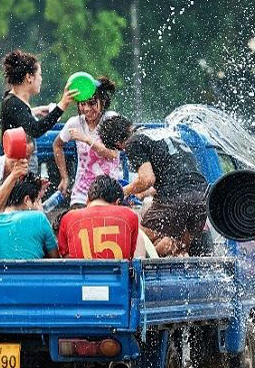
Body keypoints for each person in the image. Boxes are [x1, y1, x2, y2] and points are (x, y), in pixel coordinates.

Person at [100, 116, 208, 256]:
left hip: (175, 197)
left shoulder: (133, 141)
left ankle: (138, 271)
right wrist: (143, 193)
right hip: (201, 195)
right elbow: (175, 173)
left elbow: (147, 179)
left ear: (117, 143)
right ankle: (153, 264)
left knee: (139, 238)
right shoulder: (158, 132)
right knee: (177, 243)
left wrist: (122, 191)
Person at [53, 77, 121, 208]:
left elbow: (112, 154)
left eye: (92, 103)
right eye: (82, 104)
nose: (87, 109)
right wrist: (64, 177)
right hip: (82, 194)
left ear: (103, 101)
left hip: (109, 193)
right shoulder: (75, 122)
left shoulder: (110, 120)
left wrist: (86, 139)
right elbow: (57, 145)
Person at [0, 49, 77, 152]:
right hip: (16, 166)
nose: (41, 79)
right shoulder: (13, 103)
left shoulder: (10, 99)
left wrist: (36, 111)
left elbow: (11, 118)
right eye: (40, 74)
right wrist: (62, 104)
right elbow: (35, 130)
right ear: (29, 77)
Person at [58, 175, 143, 259]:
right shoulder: (130, 216)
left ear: (87, 199)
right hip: (117, 272)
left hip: (81, 272)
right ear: (117, 202)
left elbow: (65, 257)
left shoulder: (68, 218)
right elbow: (130, 256)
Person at [0, 173, 59, 260]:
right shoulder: (39, 218)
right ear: (27, 200)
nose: (40, 205)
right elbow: (55, 259)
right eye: (38, 201)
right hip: (31, 273)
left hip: (0, 273)